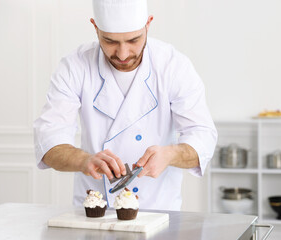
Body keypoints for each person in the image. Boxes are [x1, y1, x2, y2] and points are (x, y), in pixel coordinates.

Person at [34, 0, 217, 211]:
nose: (122, 54)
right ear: (95, 27)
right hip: (96, 211)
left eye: (133, 40)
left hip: (158, 209)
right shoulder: (75, 66)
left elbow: (202, 136)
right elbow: (48, 140)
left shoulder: (173, 66)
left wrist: (170, 154)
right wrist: (84, 160)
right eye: (110, 41)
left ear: (148, 24)